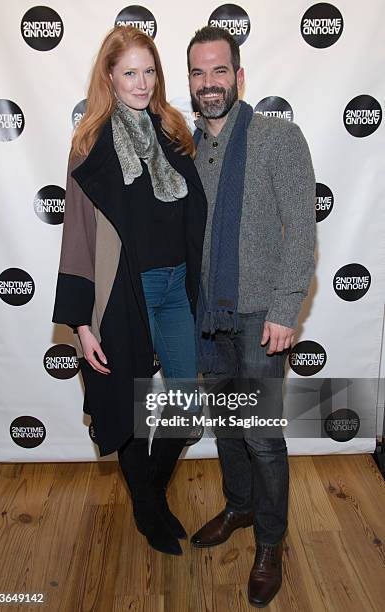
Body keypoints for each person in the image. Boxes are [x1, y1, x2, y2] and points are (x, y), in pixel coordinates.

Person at [52, 25, 207, 556]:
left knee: (185, 405)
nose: (142, 83)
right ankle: (148, 507)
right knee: (130, 411)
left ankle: (148, 495)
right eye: (130, 73)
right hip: (123, 293)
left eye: (150, 71)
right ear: (109, 78)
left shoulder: (173, 131)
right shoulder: (88, 147)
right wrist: (80, 323)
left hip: (174, 287)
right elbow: (77, 239)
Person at [187, 26, 316, 606]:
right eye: (198, 73)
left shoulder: (276, 138)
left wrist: (288, 306)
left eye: (219, 71)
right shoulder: (184, 149)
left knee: (263, 436)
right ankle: (238, 506)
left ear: (238, 77)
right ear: (189, 81)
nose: (209, 84)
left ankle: (270, 540)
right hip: (206, 316)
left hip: (262, 314)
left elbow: (301, 231)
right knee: (227, 425)